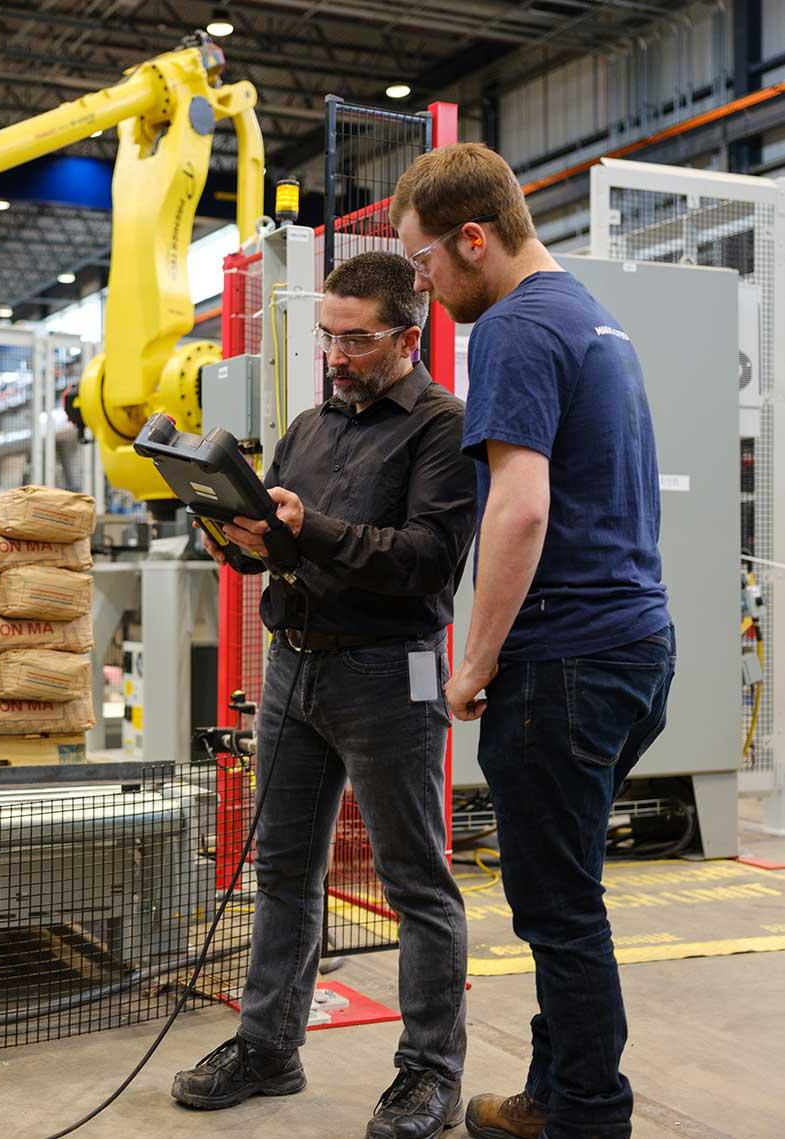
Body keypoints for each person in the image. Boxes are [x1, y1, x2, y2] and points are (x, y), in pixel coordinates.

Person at [391, 143, 675, 1139]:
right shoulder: (593, 318)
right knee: (566, 892)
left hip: (565, 658)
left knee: (557, 908)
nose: (423, 287)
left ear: (475, 238)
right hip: (638, 647)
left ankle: (586, 1113)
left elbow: (518, 509)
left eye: (425, 264)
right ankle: (555, 1095)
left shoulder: (511, 328)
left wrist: (470, 662)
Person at [170, 252, 477, 1139]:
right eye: (327, 337)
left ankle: (428, 1074)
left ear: (406, 336)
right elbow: (283, 549)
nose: (336, 355)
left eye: (356, 339)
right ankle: (269, 1046)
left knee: (415, 879)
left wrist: (314, 528)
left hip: (388, 672)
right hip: (292, 666)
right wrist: (238, 539)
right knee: (283, 871)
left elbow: (424, 559)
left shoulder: (441, 428)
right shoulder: (307, 426)